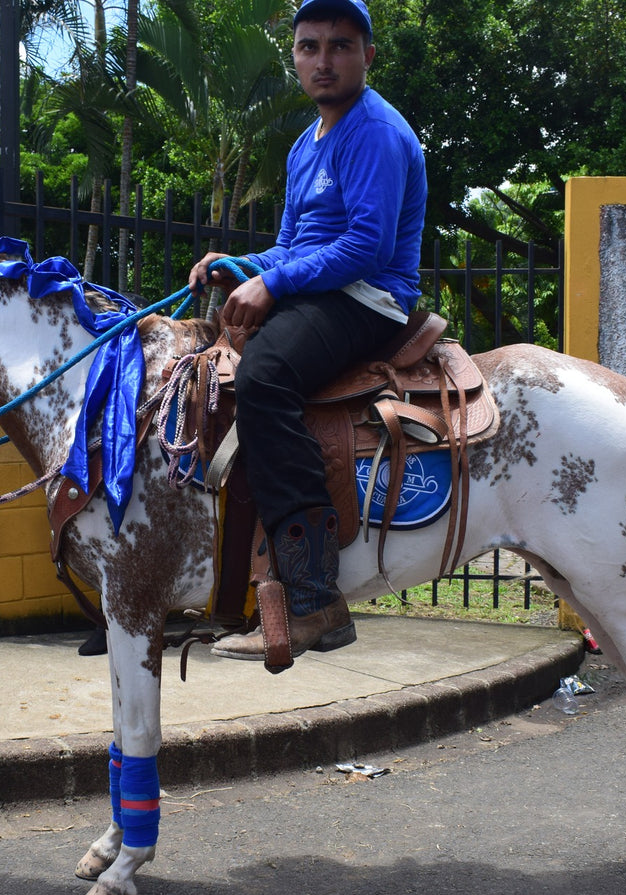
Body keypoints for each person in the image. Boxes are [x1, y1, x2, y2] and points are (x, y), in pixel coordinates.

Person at [189, 0, 427, 662]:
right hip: (320, 290)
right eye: (309, 46)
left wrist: (273, 283)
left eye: (340, 46)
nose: (323, 60)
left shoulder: (374, 131)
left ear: (367, 55)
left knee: (263, 377)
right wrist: (238, 265)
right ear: (293, 56)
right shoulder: (304, 144)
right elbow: (292, 245)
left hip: (369, 298)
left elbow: (363, 247)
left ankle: (314, 600)